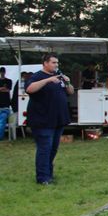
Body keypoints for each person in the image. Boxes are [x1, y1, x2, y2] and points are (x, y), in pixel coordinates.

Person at [25, 54, 74, 184]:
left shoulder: (60, 76)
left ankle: (48, 174)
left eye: (57, 63)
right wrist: (48, 80)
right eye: (53, 62)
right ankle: (42, 178)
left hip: (58, 119)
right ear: (45, 63)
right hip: (42, 120)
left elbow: (70, 92)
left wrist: (68, 82)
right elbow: (29, 89)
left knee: (53, 148)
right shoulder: (37, 76)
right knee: (44, 149)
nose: (56, 65)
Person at [0, 68, 12, 141]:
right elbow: (6, 89)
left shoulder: (9, 81)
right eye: (1, 72)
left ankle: (0, 137)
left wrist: (1, 89)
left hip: (5, 106)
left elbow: (8, 89)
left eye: (3, 72)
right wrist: (3, 88)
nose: (2, 73)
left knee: (2, 122)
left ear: (5, 72)